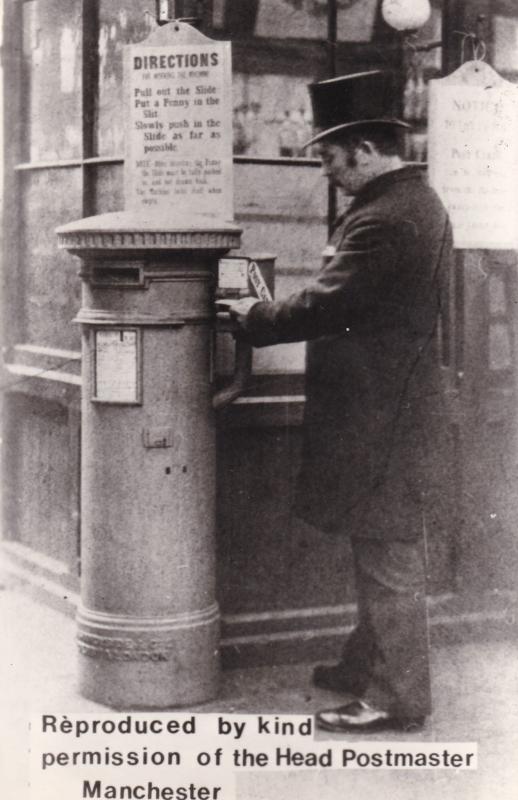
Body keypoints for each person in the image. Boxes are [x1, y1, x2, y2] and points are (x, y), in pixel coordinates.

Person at [225, 70, 453, 733]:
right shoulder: (409, 203)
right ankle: (363, 666)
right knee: (375, 546)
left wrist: (255, 315)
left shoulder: (386, 217)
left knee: (388, 557)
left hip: (382, 418)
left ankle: (397, 697)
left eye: (329, 157)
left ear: (362, 147)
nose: (327, 171)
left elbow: (330, 301)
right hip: (385, 411)